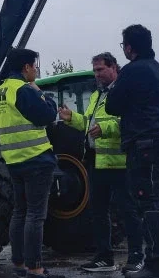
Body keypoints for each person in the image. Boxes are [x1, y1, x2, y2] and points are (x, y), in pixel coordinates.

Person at [104, 25, 159, 278]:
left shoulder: (131, 71)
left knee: (149, 203)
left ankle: (155, 265)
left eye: (124, 46)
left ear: (129, 48)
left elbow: (112, 106)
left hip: (144, 145)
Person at [59, 52, 147, 273]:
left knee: (129, 211)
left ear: (114, 67)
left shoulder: (125, 92)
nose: (97, 74)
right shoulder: (97, 96)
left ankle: (137, 256)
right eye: (94, 71)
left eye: (100, 70)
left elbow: (130, 122)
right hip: (96, 162)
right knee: (98, 211)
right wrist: (72, 118)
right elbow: (89, 125)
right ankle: (104, 258)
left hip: (119, 163)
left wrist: (105, 129)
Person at [0, 48, 57, 278]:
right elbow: (48, 114)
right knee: (36, 215)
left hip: (13, 160)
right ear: (26, 67)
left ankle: (19, 263)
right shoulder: (23, 90)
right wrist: (42, 93)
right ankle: (35, 267)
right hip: (36, 157)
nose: (36, 70)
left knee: (20, 212)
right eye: (34, 66)